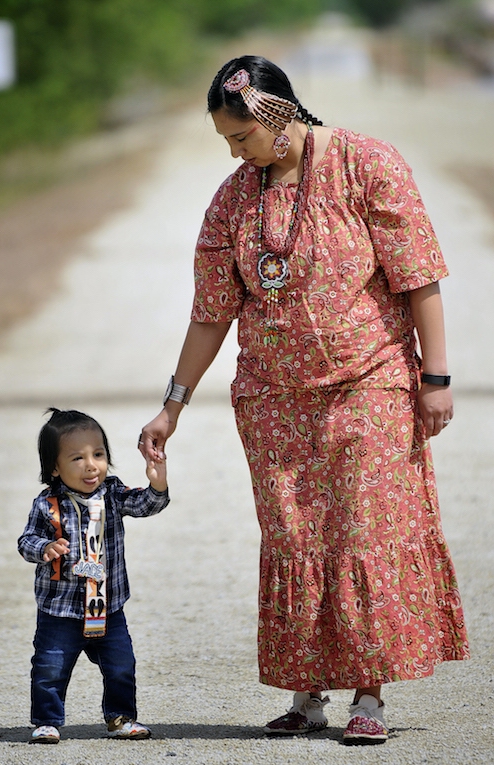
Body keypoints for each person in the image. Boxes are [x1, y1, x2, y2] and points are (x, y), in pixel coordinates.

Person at [140, 56, 469, 745]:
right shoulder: (234, 201)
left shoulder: (366, 164)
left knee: (360, 530)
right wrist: (172, 404)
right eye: (228, 142)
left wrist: (434, 378)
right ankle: (307, 693)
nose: (234, 152)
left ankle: (369, 695)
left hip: (368, 383)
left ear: (277, 117)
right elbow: (211, 312)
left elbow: (419, 274)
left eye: (240, 138)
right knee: (293, 536)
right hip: (273, 401)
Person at [18, 407, 168, 744]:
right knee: (49, 668)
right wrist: (45, 548)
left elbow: (146, 505)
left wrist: (157, 482)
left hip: (109, 608)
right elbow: (25, 541)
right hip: (61, 610)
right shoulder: (47, 505)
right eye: (77, 458)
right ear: (54, 468)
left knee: (121, 666)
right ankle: (46, 720)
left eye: (98, 454)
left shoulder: (112, 494)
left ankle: (120, 716)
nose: (91, 465)